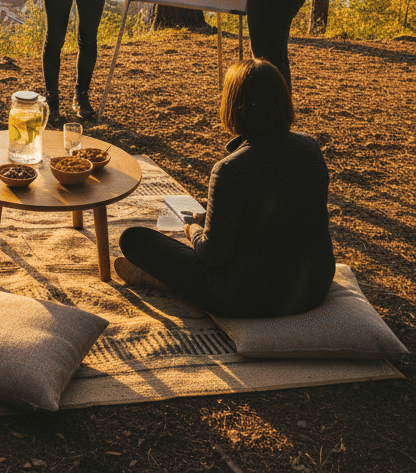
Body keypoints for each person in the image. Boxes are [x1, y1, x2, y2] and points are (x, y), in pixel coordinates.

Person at [116, 59, 335, 317]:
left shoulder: (230, 169)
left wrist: (194, 229)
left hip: (248, 298)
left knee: (133, 239)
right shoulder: (309, 148)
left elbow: (213, 255)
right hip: (313, 286)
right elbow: (281, 208)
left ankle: (166, 282)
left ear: (233, 106)